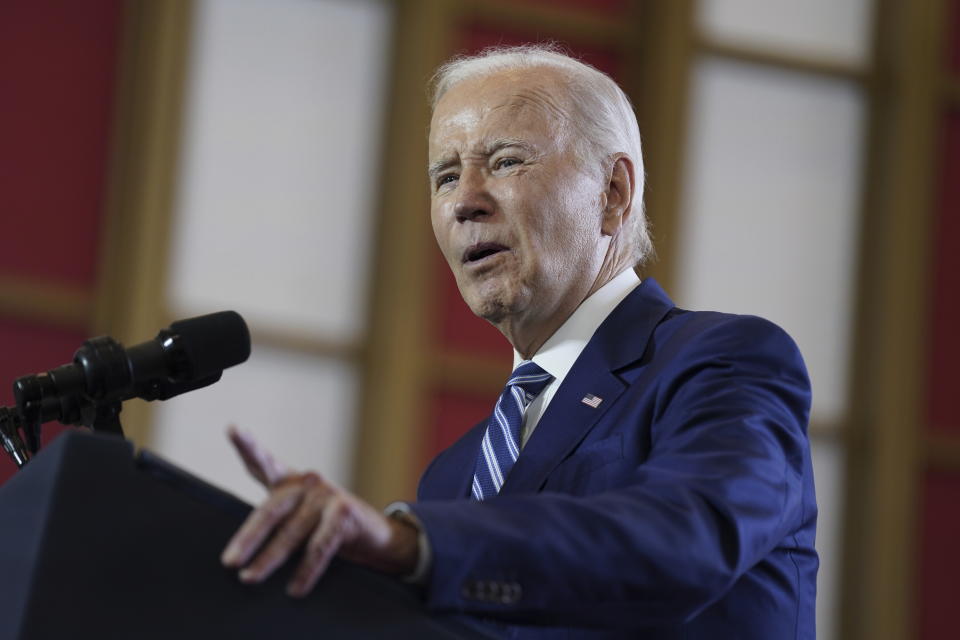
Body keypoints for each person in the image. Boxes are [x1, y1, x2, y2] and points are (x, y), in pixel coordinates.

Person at [220, 45, 817, 639]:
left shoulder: (727, 361)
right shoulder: (453, 477)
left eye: (505, 162)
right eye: (445, 176)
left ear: (612, 192)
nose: (463, 201)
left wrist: (408, 544)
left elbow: (687, 540)